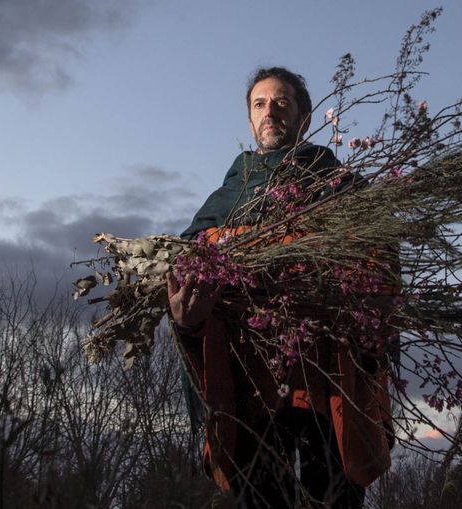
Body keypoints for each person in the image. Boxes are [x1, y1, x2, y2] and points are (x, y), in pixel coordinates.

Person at [167, 67, 393, 508]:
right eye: (260, 104)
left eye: (282, 102)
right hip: (251, 391)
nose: (270, 111)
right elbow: (189, 273)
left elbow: (378, 261)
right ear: (250, 119)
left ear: (304, 119)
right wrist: (186, 319)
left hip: (326, 387)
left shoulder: (340, 187)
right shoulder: (224, 201)